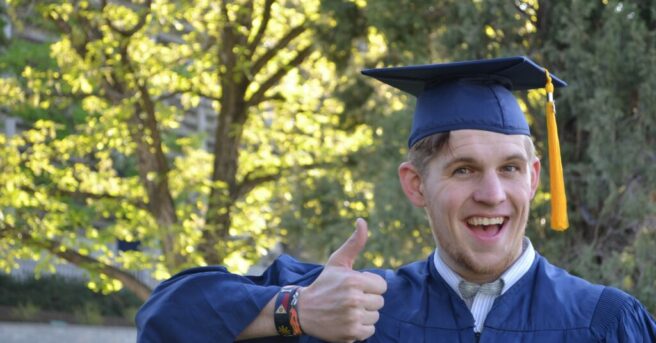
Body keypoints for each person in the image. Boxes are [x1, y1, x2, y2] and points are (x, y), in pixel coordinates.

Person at [136, 56, 656, 342]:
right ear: (415, 185)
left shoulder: (605, 322)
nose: (493, 194)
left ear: (535, 178)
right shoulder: (357, 307)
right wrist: (294, 310)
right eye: (464, 169)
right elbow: (165, 317)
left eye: (511, 169)